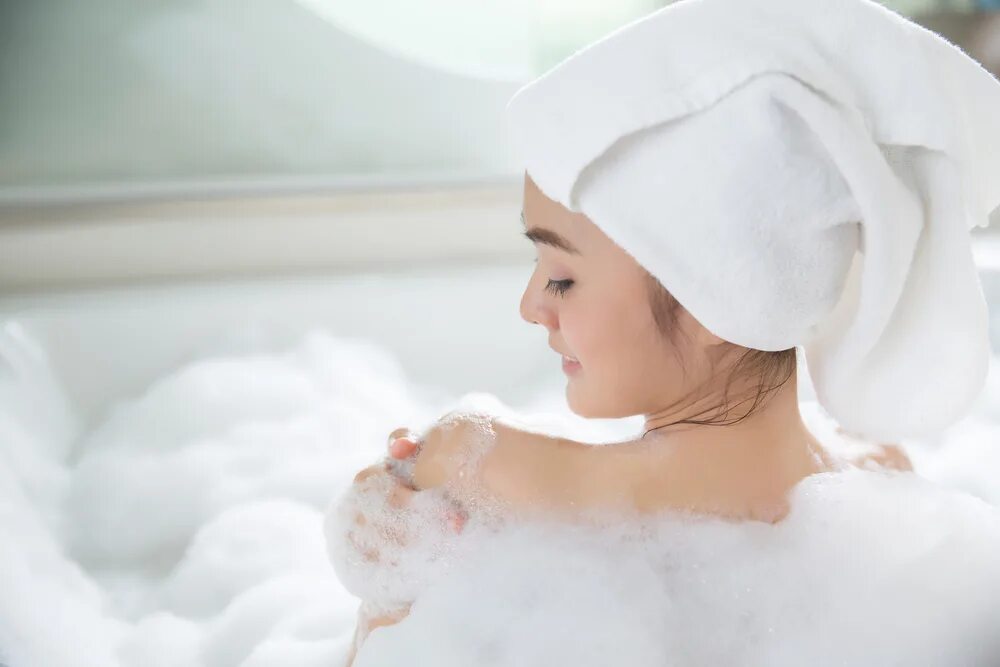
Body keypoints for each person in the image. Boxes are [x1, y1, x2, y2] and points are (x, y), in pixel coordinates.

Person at [338, 171, 914, 665]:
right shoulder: (889, 480)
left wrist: (381, 577)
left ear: (716, 300)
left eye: (561, 277)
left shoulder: (477, 465)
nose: (530, 306)